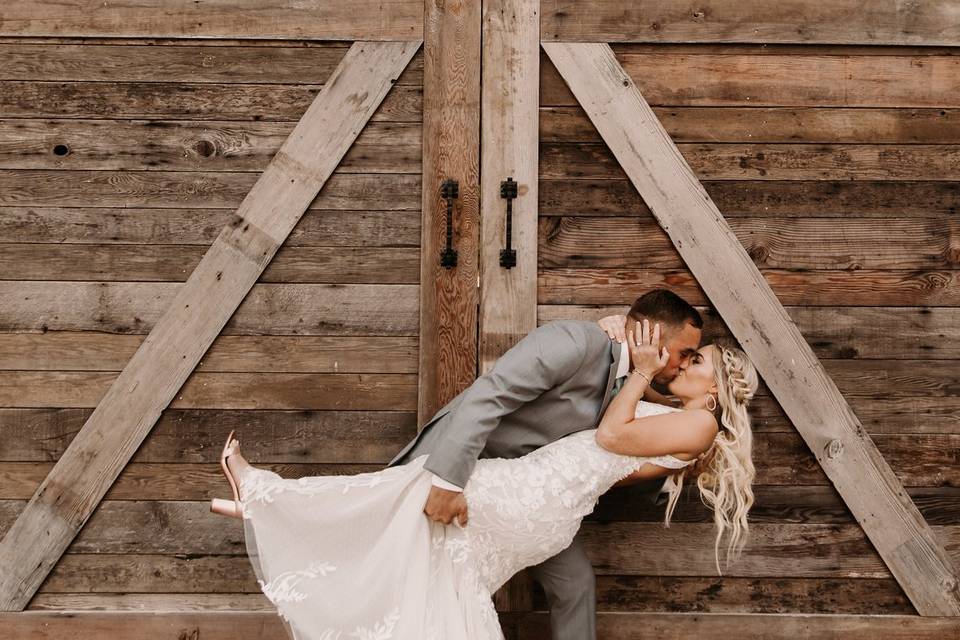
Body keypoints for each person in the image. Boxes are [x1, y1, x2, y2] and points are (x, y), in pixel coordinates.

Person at [210, 294, 758, 640]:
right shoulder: (575, 342)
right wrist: (449, 479)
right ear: (648, 338)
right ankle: (266, 502)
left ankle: (270, 505)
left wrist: (638, 368)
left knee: (559, 580)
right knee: (413, 535)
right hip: (486, 469)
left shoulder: (667, 404)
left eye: (695, 360)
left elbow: (620, 439)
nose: (686, 361)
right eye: (687, 351)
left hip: (538, 501)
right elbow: (486, 398)